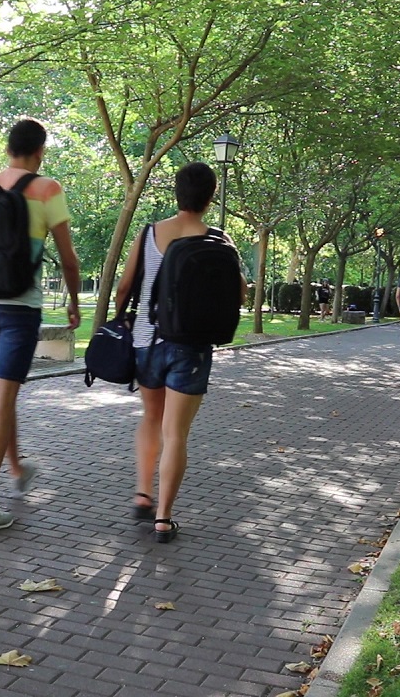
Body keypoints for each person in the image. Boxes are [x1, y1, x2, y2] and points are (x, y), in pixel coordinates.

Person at [113, 162, 246, 543]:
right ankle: (163, 518)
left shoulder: (150, 233)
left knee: (151, 417)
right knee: (176, 434)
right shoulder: (219, 240)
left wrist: (120, 317)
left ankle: (143, 492)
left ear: (176, 192)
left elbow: (125, 286)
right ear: (211, 195)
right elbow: (239, 292)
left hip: (147, 341)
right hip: (192, 346)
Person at [0, 119, 82, 534]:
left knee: (3, 391)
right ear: (40, 152)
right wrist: (72, 302)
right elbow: (68, 259)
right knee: (0, 399)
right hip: (19, 311)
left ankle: (16, 467)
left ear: (8, 148)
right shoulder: (47, 189)